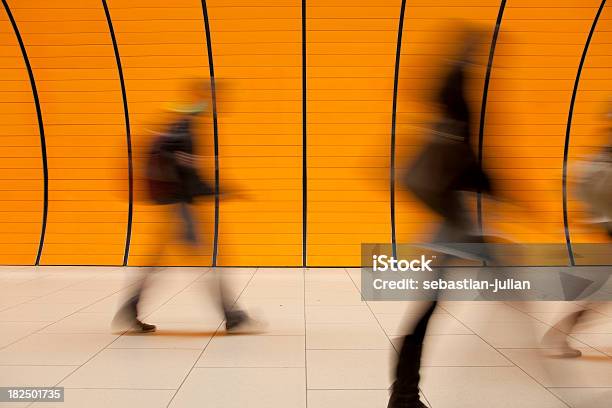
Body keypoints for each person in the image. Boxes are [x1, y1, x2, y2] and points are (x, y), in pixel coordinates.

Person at [389, 33, 493, 408]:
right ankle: (403, 395)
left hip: (454, 224)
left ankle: (403, 394)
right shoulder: (456, 123)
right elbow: (471, 166)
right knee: (427, 309)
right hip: (455, 227)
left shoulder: (443, 125)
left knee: (427, 308)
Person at [112, 82, 259, 334]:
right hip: (181, 206)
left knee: (160, 259)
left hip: (175, 204)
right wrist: (221, 190)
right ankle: (232, 315)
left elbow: (186, 171)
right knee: (208, 259)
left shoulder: (180, 125)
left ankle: (130, 308)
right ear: (207, 98)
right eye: (217, 97)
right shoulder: (187, 130)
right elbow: (190, 176)